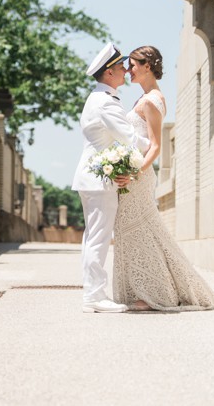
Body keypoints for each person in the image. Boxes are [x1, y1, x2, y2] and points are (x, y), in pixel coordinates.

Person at [112, 45, 214, 312]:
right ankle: (143, 288)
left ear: (147, 66)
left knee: (140, 233)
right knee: (138, 233)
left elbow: (155, 146)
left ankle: (156, 293)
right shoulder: (147, 98)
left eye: (132, 65)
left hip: (138, 177)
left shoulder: (151, 100)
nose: (128, 71)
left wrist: (134, 173)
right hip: (133, 175)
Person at [71, 43, 150, 313]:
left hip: (92, 178)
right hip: (99, 179)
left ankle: (92, 294)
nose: (124, 71)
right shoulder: (105, 102)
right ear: (108, 73)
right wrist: (153, 145)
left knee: (93, 237)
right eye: (119, 67)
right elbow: (128, 138)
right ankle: (94, 297)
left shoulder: (99, 98)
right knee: (98, 238)